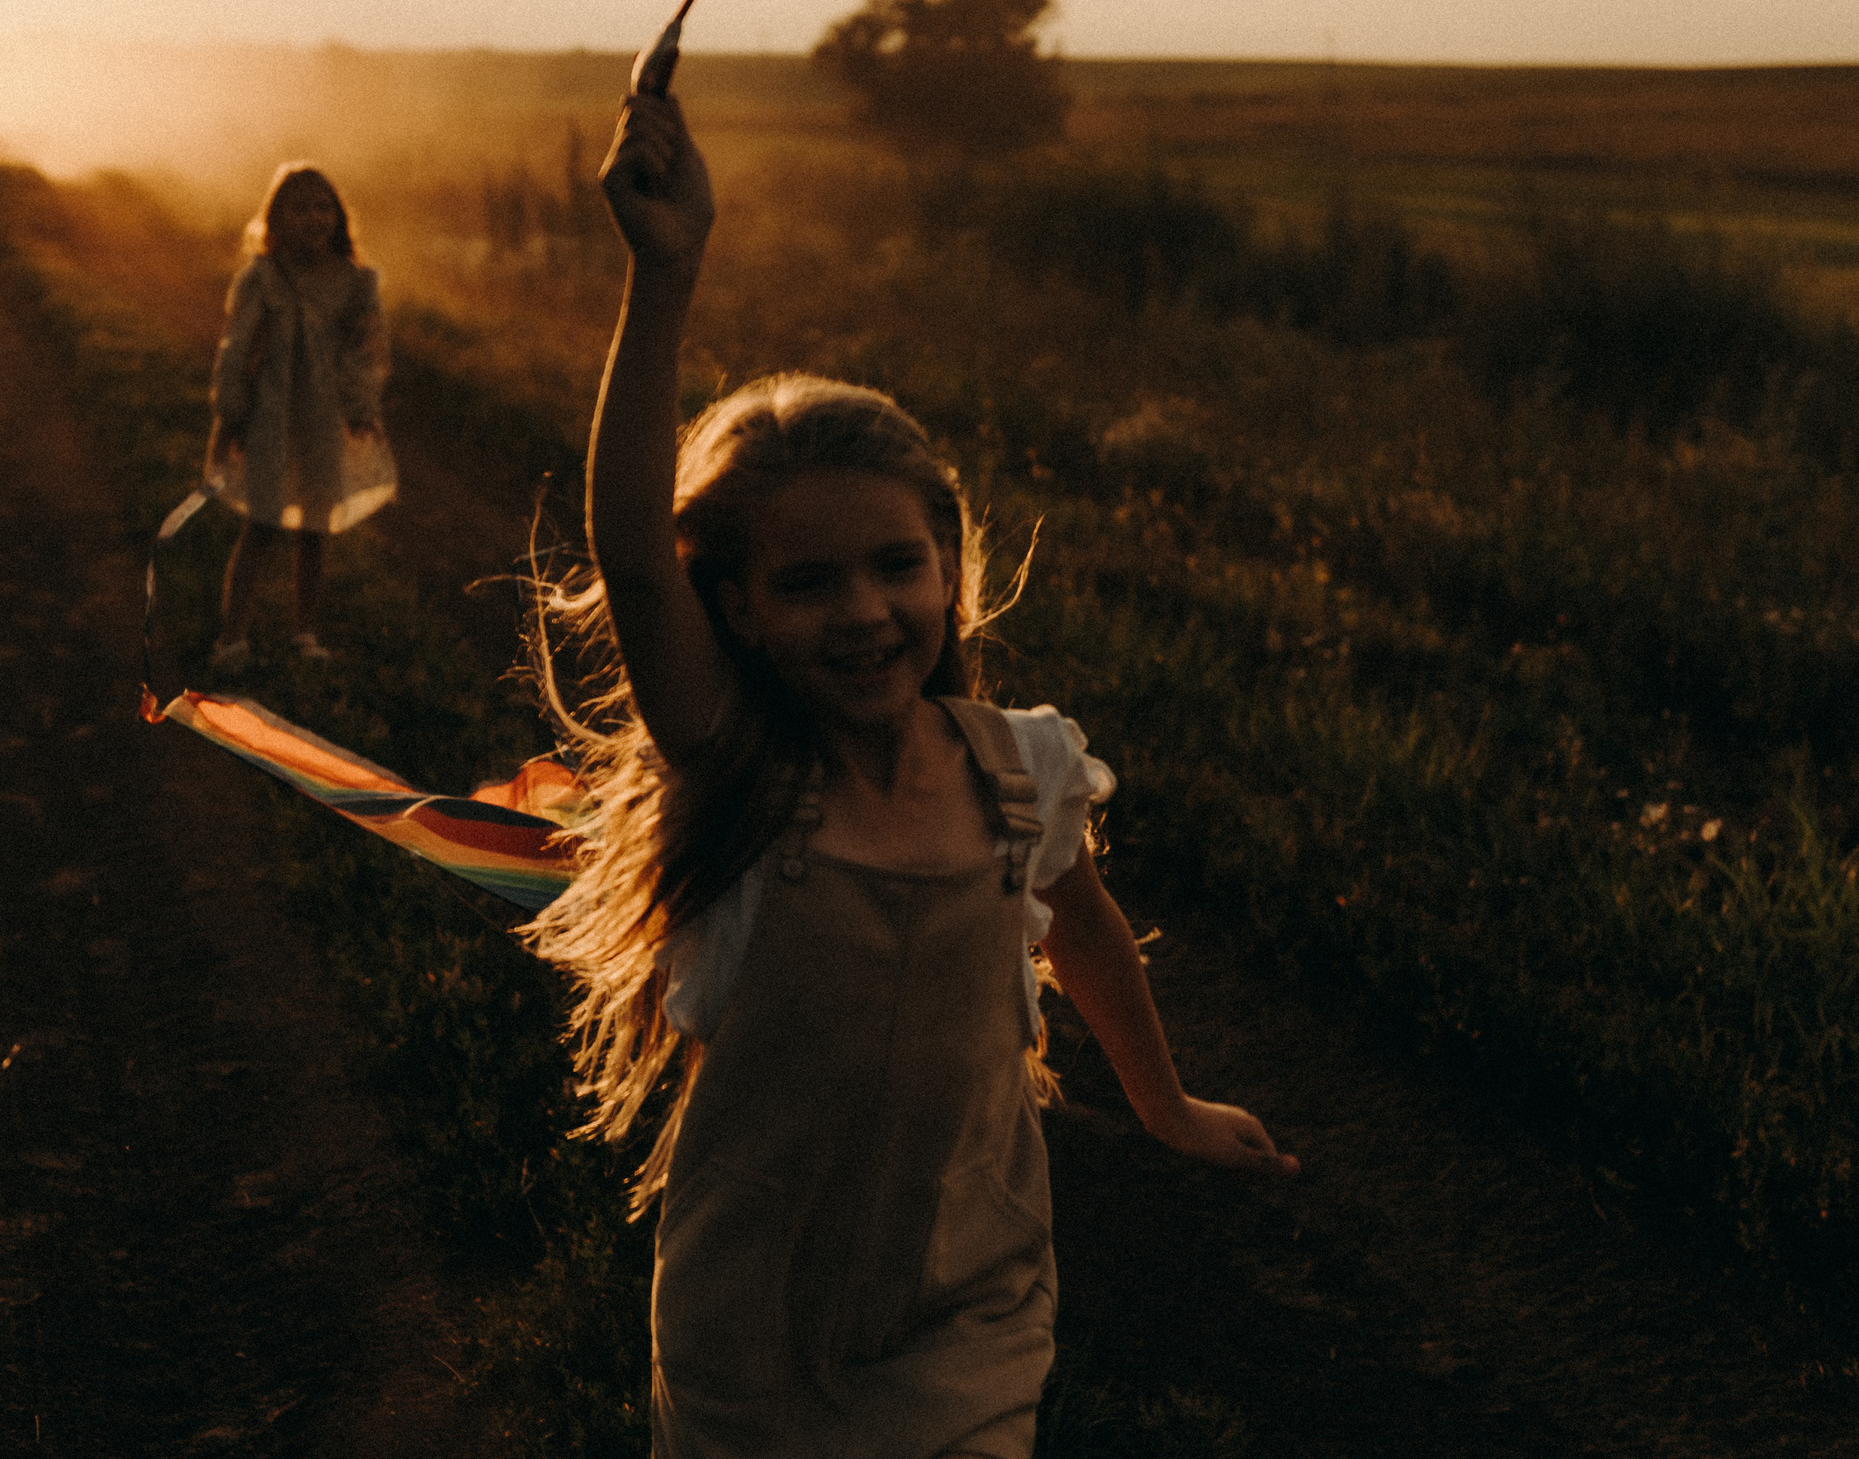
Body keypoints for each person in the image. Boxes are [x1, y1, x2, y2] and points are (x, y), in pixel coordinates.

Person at [525, 91, 1296, 1458]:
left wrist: (1166, 1103)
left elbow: (1087, 932)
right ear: (737, 607)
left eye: (897, 566)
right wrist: (665, 273)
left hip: (970, 1296)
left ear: (949, 565)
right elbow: (635, 554)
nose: (866, 611)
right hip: (757, 1320)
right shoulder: (742, 777)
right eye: (808, 582)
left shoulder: (1024, 770)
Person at [204, 164, 396, 669]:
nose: (315, 218)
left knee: (314, 528)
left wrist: (361, 407)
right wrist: (231, 416)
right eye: (301, 208)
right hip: (270, 418)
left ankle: (305, 634)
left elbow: (364, 353)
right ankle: (232, 637)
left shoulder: (355, 283)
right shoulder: (262, 279)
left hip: (322, 421)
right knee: (262, 524)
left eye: (323, 207)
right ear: (277, 219)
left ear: (338, 216)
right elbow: (235, 351)